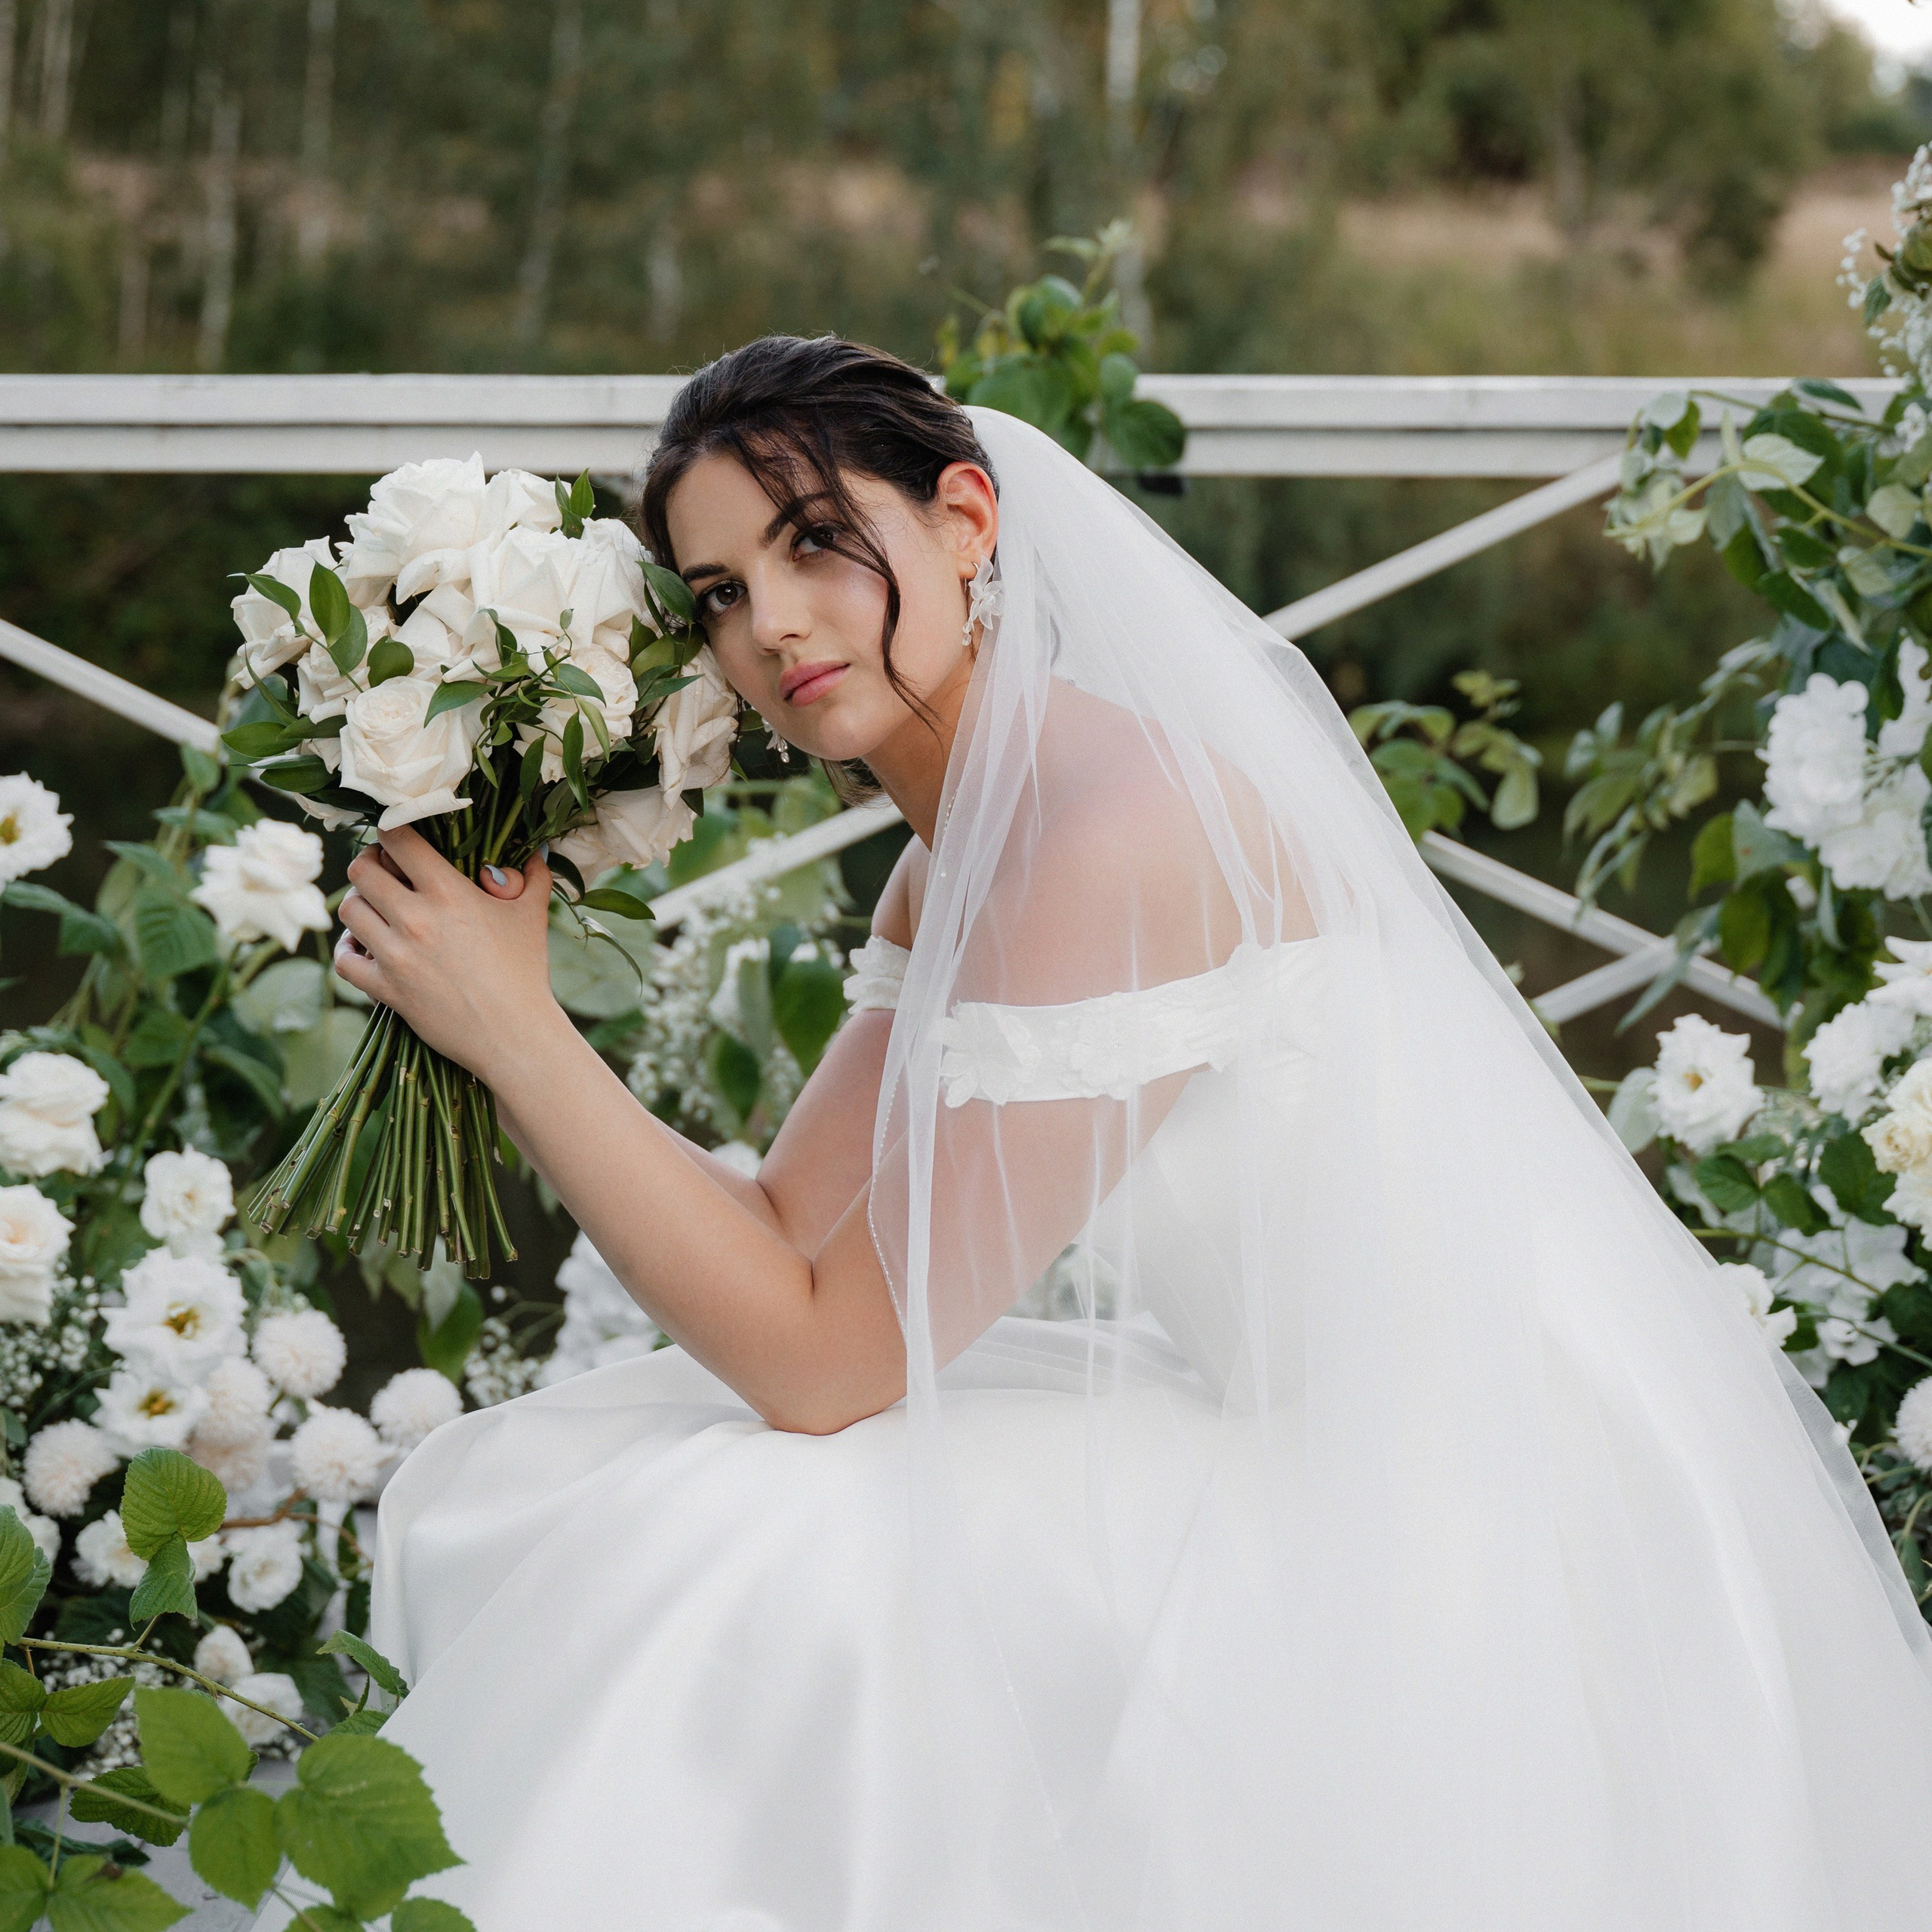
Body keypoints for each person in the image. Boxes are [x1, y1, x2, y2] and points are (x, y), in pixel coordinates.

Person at [257, 337, 1932, 1930]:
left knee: (761, 1531)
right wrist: (488, 1016)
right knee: (620, 1471)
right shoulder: (960, 848)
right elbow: (784, 1216)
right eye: (714, 592)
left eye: (818, 542)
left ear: (968, 517)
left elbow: (832, 1358)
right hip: (1261, 1409)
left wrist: (523, 1034)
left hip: (1450, 1486)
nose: (769, 624)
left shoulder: (1105, 840)